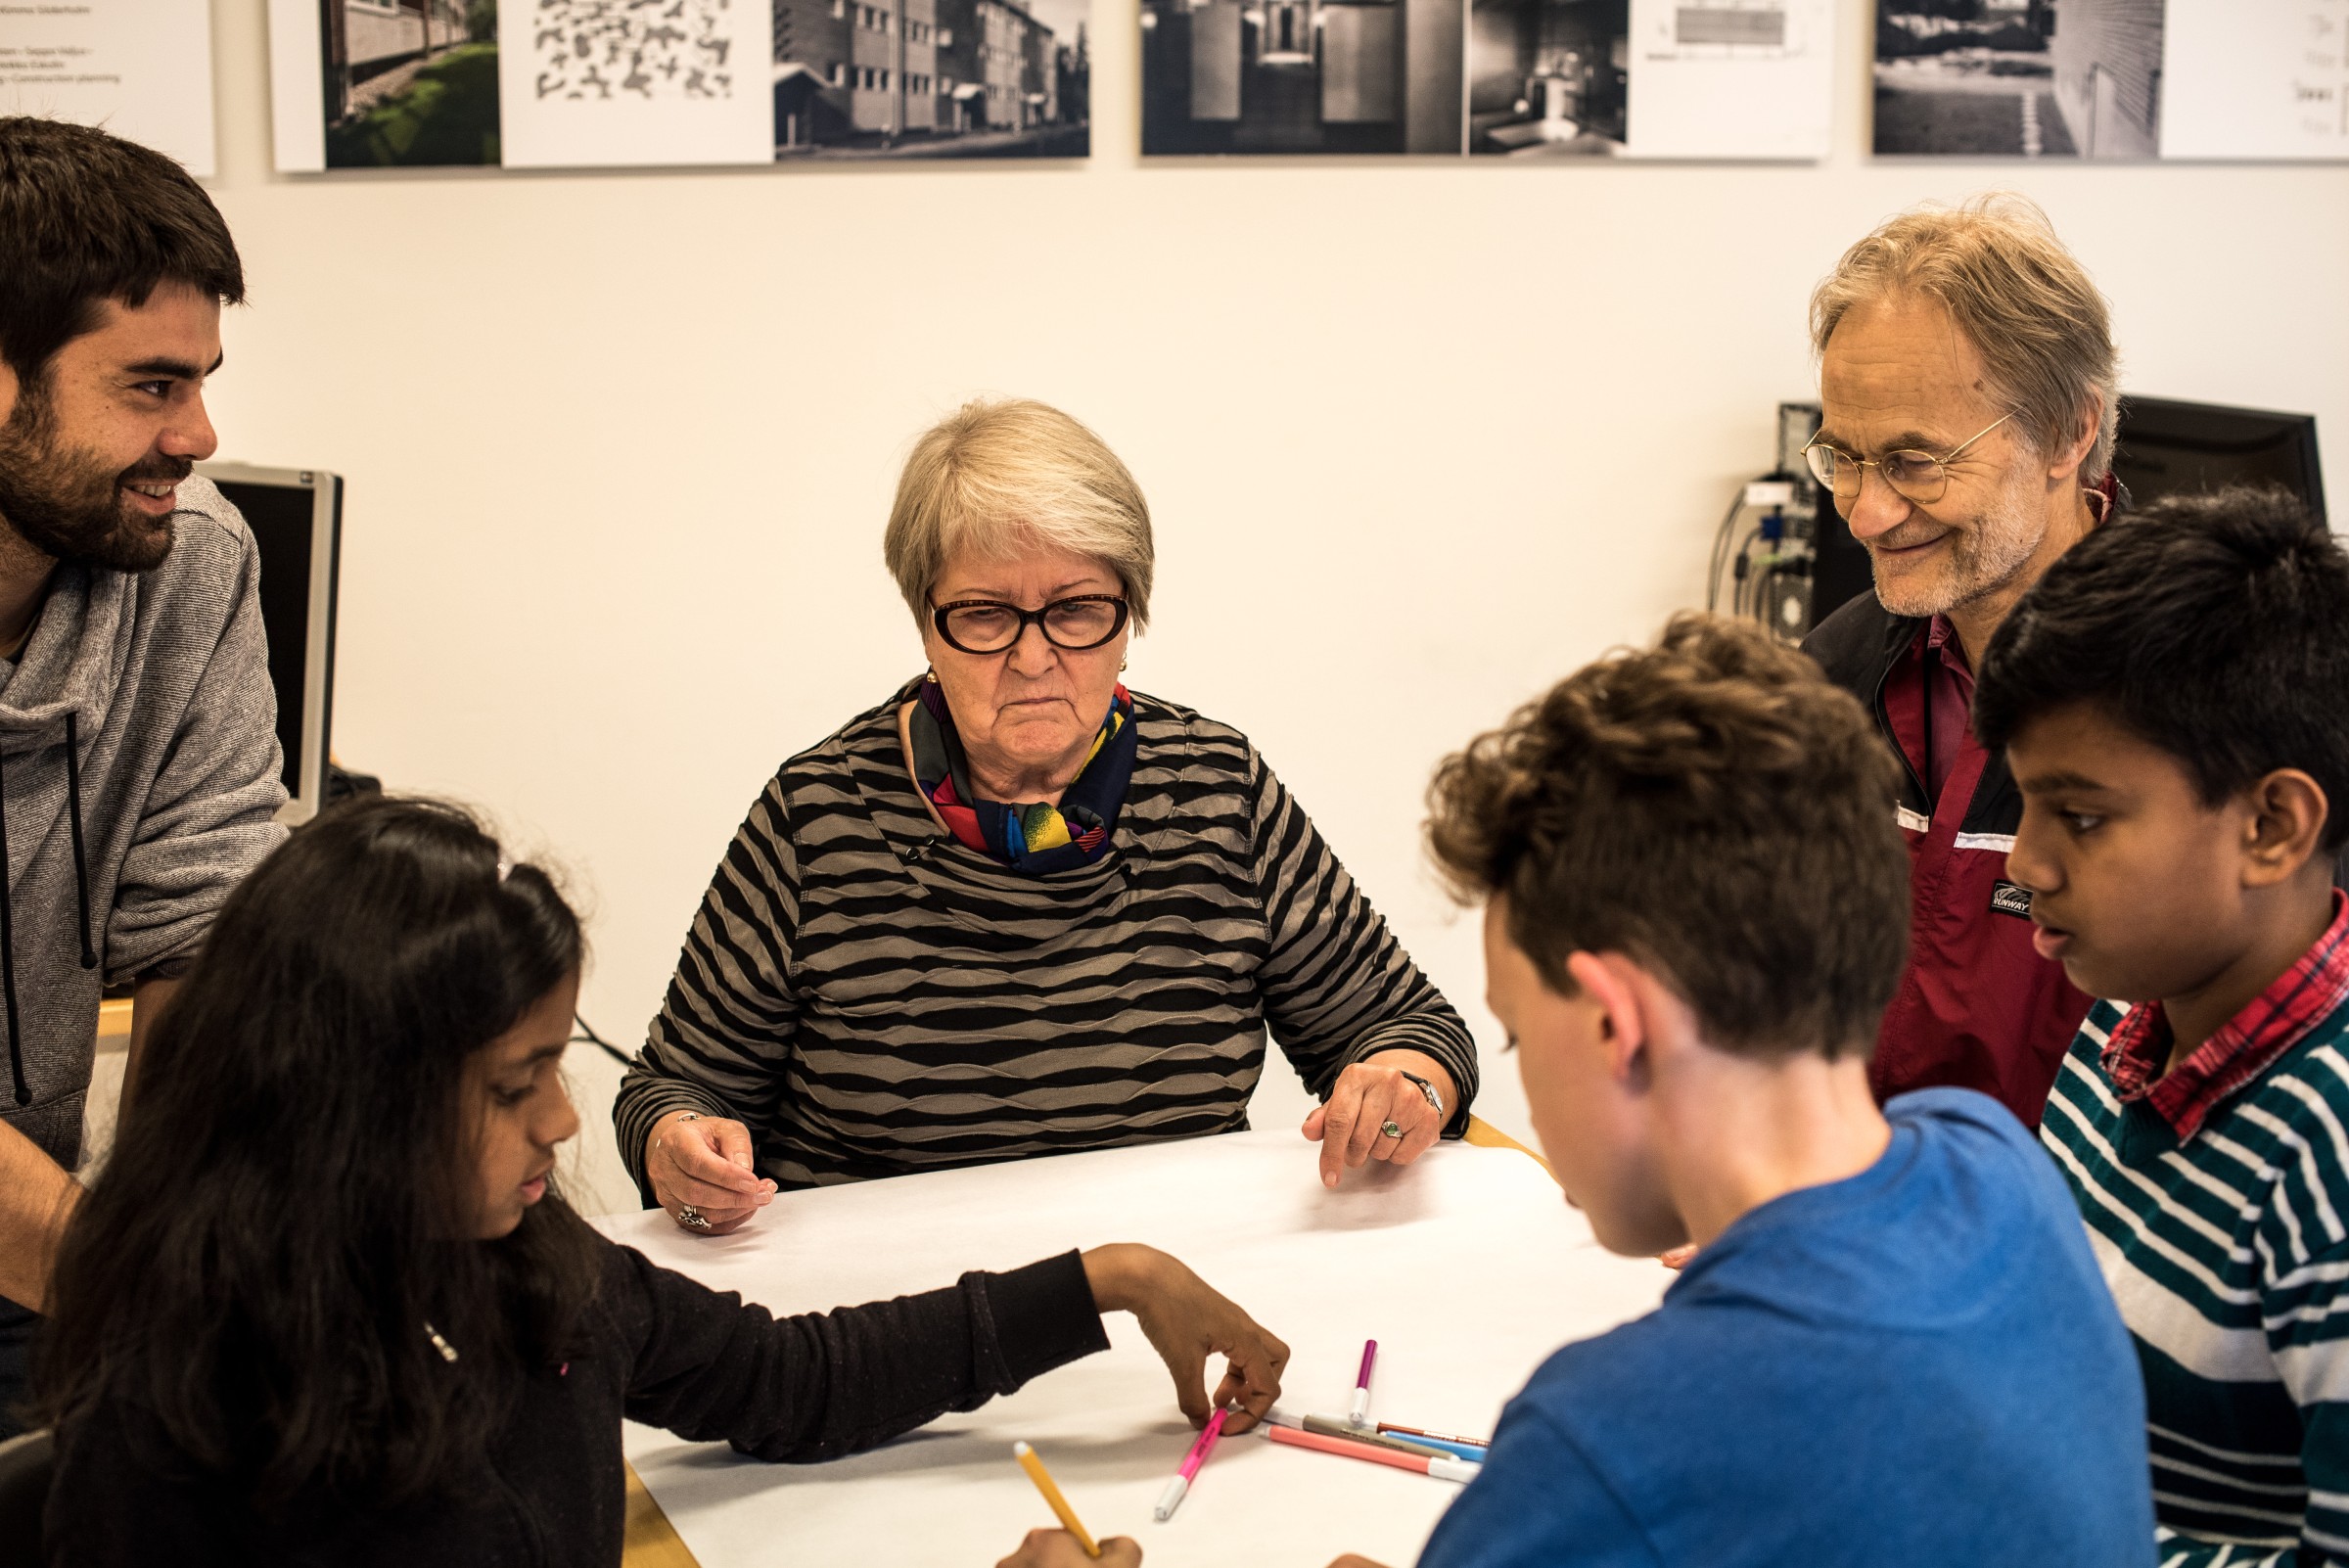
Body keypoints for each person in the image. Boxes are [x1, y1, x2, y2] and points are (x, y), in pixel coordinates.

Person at [1002, 615, 2156, 1568]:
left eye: (1517, 1033)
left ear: (1618, 1023)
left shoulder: (1610, 1442)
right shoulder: (1997, 1165)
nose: (1527, 1101)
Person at [36, 797, 1289, 1564]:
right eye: (514, 1083)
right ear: (355, 1093)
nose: (566, 1119)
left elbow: (792, 1382)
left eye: (558, 1064)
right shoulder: (185, 1433)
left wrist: (1105, 1281)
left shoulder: (527, 1277)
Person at [616, 396, 1478, 1232]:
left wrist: (1409, 1081)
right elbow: (675, 1094)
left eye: (1074, 610)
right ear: (926, 625)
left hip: (1171, 1287)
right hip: (891, 1318)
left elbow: (1411, 1028)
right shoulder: (817, 817)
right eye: (986, 614)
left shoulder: (1215, 788)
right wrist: (680, 1154)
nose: (1034, 657)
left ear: (1128, 616)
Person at [1974, 486, 2349, 1567]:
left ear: (2273, 826)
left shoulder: (2327, 1160)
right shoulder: (2120, 1030)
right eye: (2027, 803)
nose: (2023, 862)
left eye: (2081, 817)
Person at [0, 117, 289, 1435]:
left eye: (204, 380)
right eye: (152, 386)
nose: (202, 433)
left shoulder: (196, 567)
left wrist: (199, 1251)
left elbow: (206, 938)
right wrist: (146, 1297)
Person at [1800, 194, 2120, 1128]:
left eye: (1913, 461)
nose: (1862, 514)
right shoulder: (1837, 671)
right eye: (1843, 458)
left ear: (2069, 433)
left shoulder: (2204, 710)